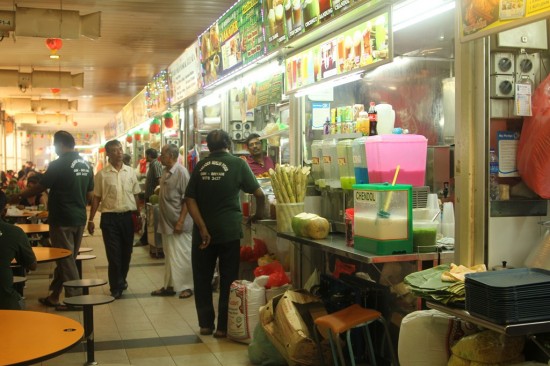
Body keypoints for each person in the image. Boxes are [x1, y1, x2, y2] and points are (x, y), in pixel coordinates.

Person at [185, 129, 265, 338]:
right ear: (228, 144)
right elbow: (259, 193)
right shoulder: (239, 164)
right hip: (229, 230)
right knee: (228, 278)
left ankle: (205, 325)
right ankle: (222, 327)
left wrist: (202, 227)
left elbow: (189, 199)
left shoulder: (200, 166)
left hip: (203, 234)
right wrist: (258, 215)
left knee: (202, 278)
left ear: (208, 147)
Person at [15, 131, 94, 311]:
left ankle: (76, 299)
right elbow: (90, 194)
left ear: (59, 145)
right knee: (67, 258)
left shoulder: (58, 164)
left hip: (62, 218)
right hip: (79, 218)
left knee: (65, 259)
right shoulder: (86, 165)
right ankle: (54, 296)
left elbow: (41, 186)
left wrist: (17, 196)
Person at [88, 139, 142, 299]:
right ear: (108, 154)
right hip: (109, 219)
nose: (119, 153)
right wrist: (90, 220)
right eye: (115, 150)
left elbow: (136, 194)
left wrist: (138, 216)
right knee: (113, 255)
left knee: (127, 253)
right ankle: (115, 287)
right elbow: (96, 198)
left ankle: (122, 279)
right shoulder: (102, 175)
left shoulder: (131, 172)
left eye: (120, 149)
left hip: (127, 217)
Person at [151, 144, 193, 299]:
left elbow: (187, 199)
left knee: (183, 255)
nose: (160, 157)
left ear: (171, 155)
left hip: (178, 224)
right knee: (169, 256)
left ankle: (187, 287)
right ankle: (169, 285)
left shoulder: (181, 172)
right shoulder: (164, 171)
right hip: (167, 222)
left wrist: (181, 221)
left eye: (163, 154)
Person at [0, 191, 37, 310]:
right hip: (4, 302)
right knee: (19, 302)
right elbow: (32, 265)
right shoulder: (14, 233)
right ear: (4, 212)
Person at [135, 148, 163, 246]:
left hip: (153, 197)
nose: (145, 157)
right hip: (149, 196)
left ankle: (145, 240)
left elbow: (159, 180)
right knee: (148, 219)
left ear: (150, 155)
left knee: (150, 220)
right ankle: (145, 239)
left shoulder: (156, 165)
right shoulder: (152, 165)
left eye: (146, 155)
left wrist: (159, 194)